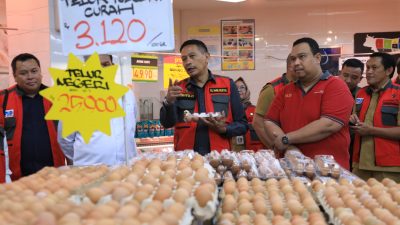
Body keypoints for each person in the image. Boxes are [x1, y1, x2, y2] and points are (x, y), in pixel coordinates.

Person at [264, 37, 354, 169]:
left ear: (318, 58)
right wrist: (289, 146)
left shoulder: (336, 86)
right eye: (293, 59)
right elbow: (269, 121)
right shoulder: (285, 91)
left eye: (302, 57)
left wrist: (287, 139)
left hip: (329, 173)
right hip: (292, 169)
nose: (296, 63)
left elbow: (329, 124)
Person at [160, 39, 248, 155]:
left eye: (192, 56)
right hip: (187, 160)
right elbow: (167, 123)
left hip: (219, 158)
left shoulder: (227, 84)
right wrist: (168, 102)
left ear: (207, 57)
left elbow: (242, 124)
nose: (188, 62)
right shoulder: (178, 88)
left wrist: (225, 129)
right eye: (184, 59)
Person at [57, 54, 138, 166]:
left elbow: (131, 128)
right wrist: (82, 161)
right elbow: (65, 140)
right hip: (90, 170)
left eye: (105, 65)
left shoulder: (127, 94)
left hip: (126, 168)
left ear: (113, 66)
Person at [0, 53, 65, 182]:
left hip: (55, 177)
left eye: (34, 71)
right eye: (23, 73)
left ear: (40, 72)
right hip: (17, 179)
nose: (30, 77)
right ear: (15, 76)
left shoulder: (57, 98)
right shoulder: (3, 100)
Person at [350, 52, 400, 182]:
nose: (369, 72)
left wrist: (371, 130)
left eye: (374, 68)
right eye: (367, 68)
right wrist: (351, 121)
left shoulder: (398, 93)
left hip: (389, 168)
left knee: (388, 202)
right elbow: (354, 119)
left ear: (389, 70)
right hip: (359, 165)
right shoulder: (361, 93)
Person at [253, 56, 296, 148]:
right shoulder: (271, 89)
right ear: (291, 66)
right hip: (281, 151)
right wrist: (274, 147)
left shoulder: (304, 88)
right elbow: (258, 123)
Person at [338, 58, 364, 171]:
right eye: (345, 75)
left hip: (355, 146)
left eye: (354, 77)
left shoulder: (363, 95)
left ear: (360, 79)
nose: (348, 80)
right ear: (340, 73)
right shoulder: (329, 92)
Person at [232, 77, 264, 151]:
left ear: (246, 91)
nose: (239, 90)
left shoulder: (255, 110)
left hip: (254, 152)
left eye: (242, 87)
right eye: (236, 87)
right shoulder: (228, 111)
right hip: (234, 151)